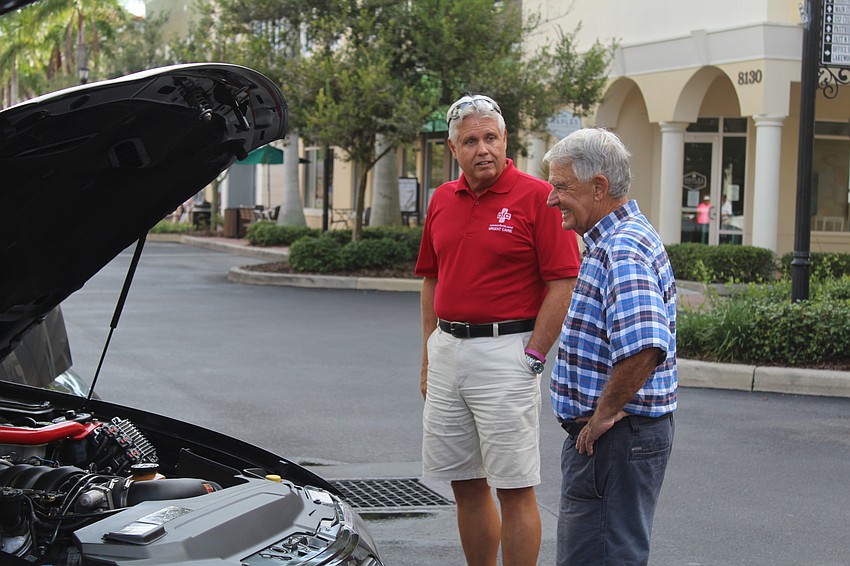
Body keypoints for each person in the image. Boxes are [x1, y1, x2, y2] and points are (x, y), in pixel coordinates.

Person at [415, 94, 581, 566]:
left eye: (491, 137)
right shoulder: (443, 199)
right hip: (448, 351)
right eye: (471, 140)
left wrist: (533, 355)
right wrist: (429, 357)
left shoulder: (537, 197)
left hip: (507, 352)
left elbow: (563, 282)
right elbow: (431, 279)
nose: (482, 148)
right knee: (464, 482)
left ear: (506, 140)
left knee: (514, 486)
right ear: (454, 149)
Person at [544, 128, 677, 566]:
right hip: (618, 440)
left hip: (615, 441)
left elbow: (646, 346)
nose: (551, 198)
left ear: (598, 187)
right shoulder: (615, 241)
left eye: (561, 186)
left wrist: (601, 416)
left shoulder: (620, 249)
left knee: (598, 556)